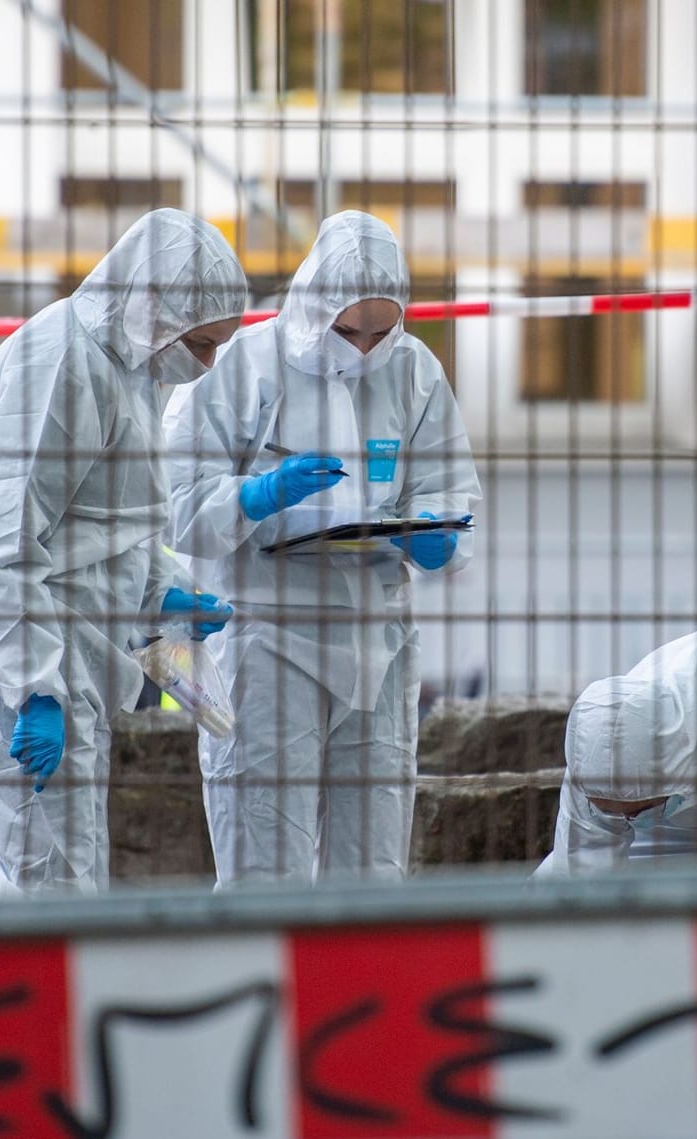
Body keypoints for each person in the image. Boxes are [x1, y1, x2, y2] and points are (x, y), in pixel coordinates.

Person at [0, 209, 247, 896]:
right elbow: (4, 545)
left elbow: (102, 525)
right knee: (56, 888)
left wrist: (161, 588)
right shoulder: (60, 363)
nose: (207, 363)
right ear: (155, 306)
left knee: (60, 883)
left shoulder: (130, 371)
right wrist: (34, 691)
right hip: (19, 645)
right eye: (201, 343)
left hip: (69, 645)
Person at [164, 210, 482, 884]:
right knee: (263, 858)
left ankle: (361, 984)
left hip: (378, 640)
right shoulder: (243, 365)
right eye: (346, 331)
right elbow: (175, 501)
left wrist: (432, 531)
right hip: (265, 639)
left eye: (380, 331)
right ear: (312, 304)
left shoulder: (415, 372)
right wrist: (256, 496)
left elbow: (451, 485)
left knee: (373, 862)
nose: (363, 350)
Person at [533, 621, 697, 877]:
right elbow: (580, 864)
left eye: (638, 810)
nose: (628, 819)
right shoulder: (594, 747)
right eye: (612, 811)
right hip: (680, 818)